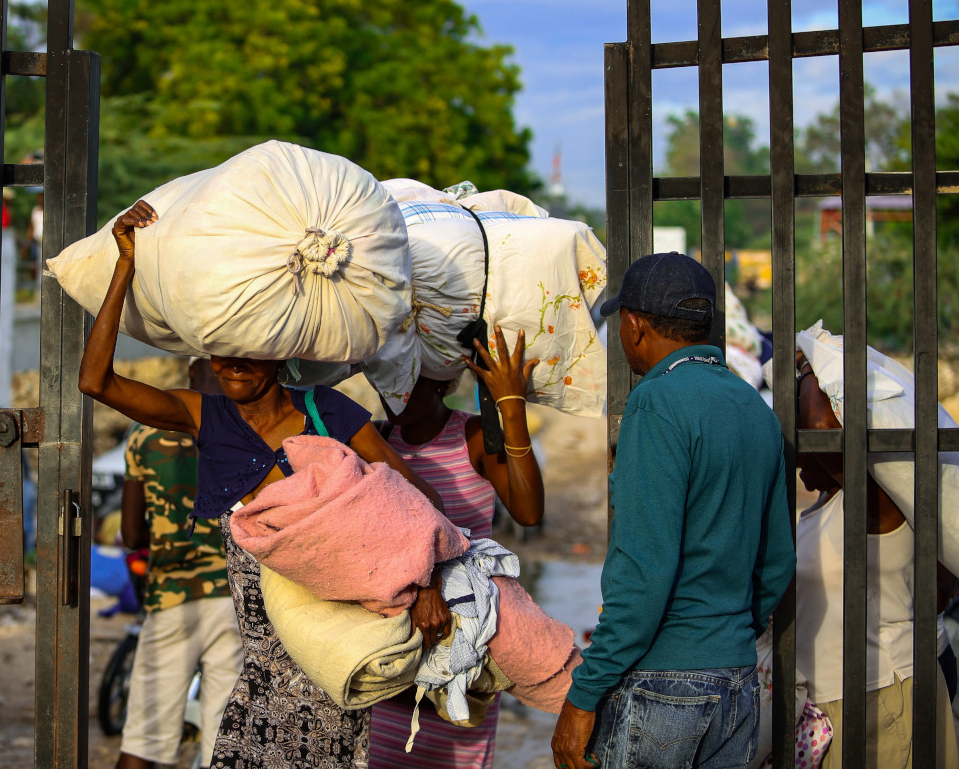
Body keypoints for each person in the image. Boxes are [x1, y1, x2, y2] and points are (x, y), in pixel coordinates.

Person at [79, 200, 448, 769]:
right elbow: (95, 380)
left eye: (247, 349)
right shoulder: (206, 417)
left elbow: (422, 499)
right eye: (220, 350)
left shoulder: (327, 413)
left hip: (335, 647)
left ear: (278, 354)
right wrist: (124, 264)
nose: (230, 364)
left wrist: (426, 585)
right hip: (261, 668)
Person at [551, 252, 795, 769]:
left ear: (635, 326)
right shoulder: (755, 408)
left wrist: (583, 693)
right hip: (737, 679)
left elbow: (642, 573)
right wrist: (723, 636)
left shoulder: (655, 403)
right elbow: (776, 565)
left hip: (664, 683)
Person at [368, 328, 545, 768]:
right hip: (393, 649)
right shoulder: (373, 440)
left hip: (461, 647)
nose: (396, 392)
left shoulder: (471, 438)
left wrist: (510, 405)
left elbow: (528, 510)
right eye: (388, 379)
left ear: (443, 381)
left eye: (410, 380)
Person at [793, 350, 959, 769]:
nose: (795, 457)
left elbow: (819, 424)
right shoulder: (827, 506)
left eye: (801, 443)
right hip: (840, 704)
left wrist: (809, 363)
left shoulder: (874, 504)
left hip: (881, 700)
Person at [116, 358, 244, 769]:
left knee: (144, 739)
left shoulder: (144, 434)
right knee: (223, 742)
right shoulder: (246, 430)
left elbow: (133, 536)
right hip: (236, 602)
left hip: (172, 597)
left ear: (190, 373)